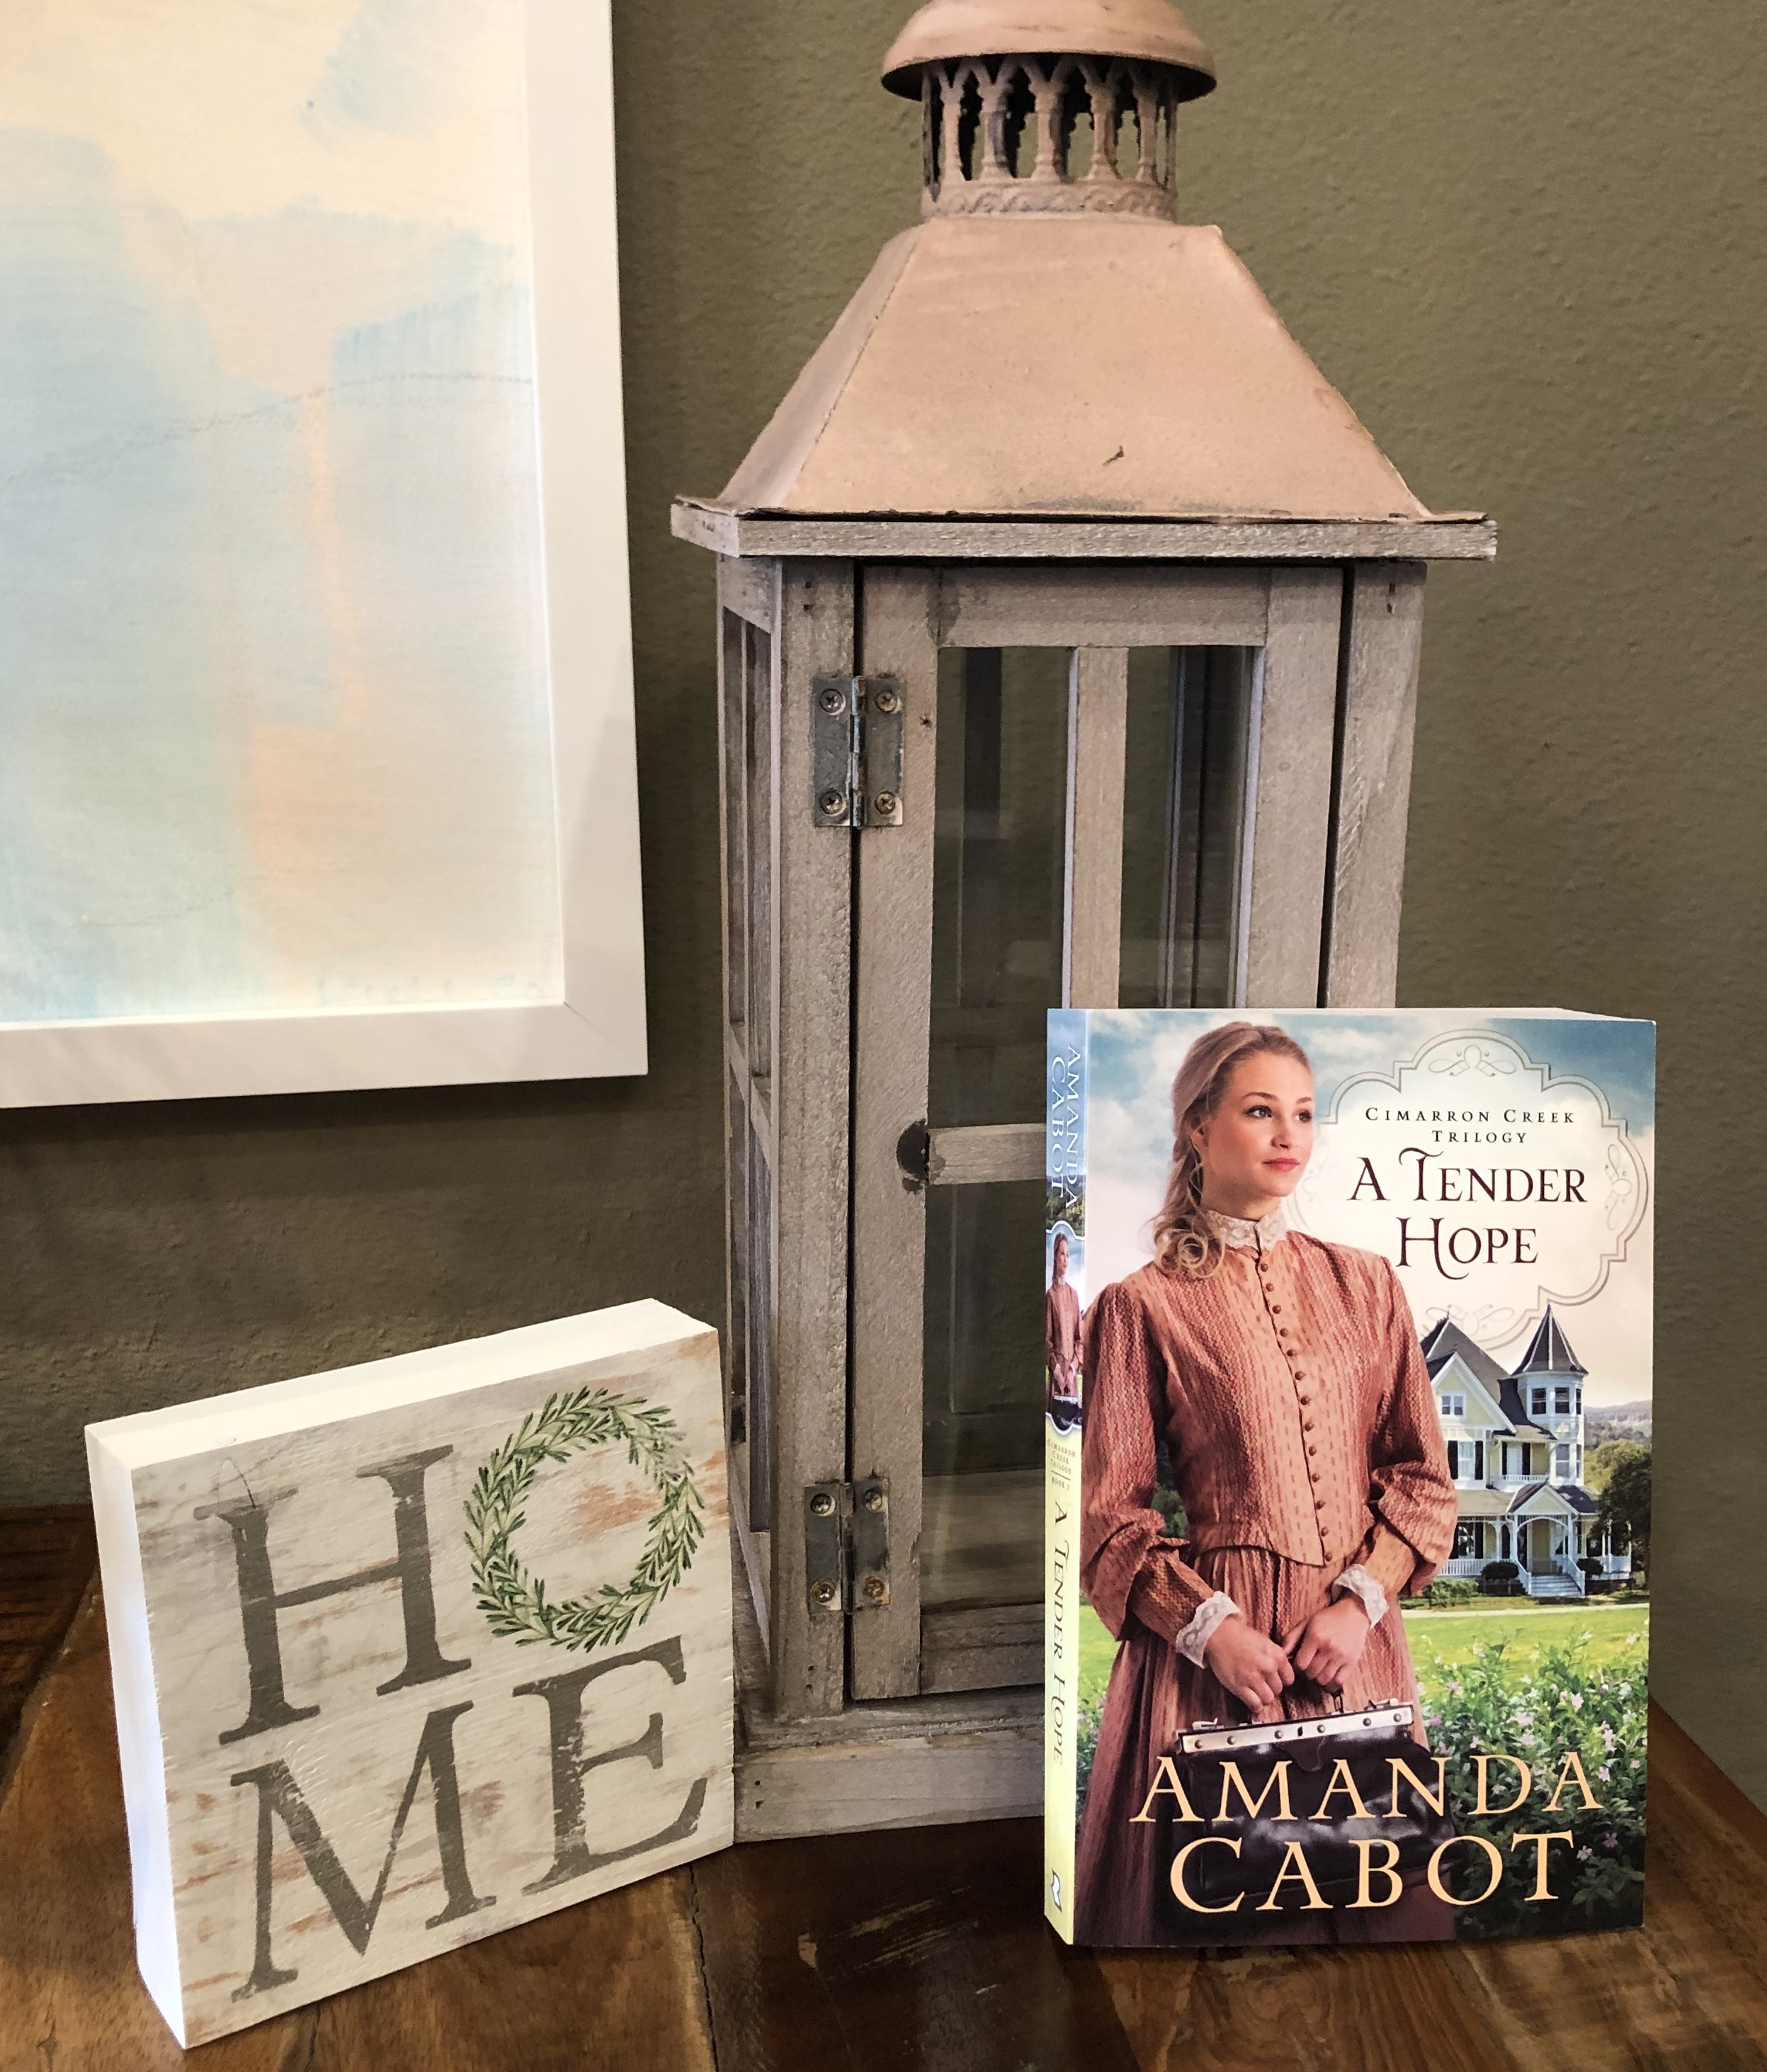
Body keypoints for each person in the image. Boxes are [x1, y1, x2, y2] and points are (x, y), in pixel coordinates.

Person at [1074, 1021, 1458, 1945]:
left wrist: (1357, 1603)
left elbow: (1420, 1478)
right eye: (1258, 1111)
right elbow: (1108, 1520)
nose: (1288, 1134)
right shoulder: (1138, 1305)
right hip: (1220, 1664)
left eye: (1302, 1113)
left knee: (1396, 1924)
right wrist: (1212, 1632)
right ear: (1196, 1127)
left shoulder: (1365, 1284)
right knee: (1229, 1938)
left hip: (1352, 1649)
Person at [1045, 1230, 1082, 1430]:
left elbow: (1080, 1338)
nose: (1066, 1260)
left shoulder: (1074, 1295)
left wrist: (1073, 1369)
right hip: (1057, 1376)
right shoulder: (1050, 1296)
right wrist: (1058, 1371)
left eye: (1068, 1254)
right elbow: (1047, 1340)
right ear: (1055, 1257)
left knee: (1072, 1428)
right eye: (1062, 1254)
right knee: (1056, 1426)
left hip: (1071, 1376)